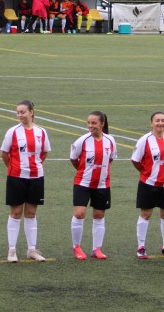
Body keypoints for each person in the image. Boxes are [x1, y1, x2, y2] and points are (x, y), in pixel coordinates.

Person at [0, 100, 52, 262]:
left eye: (22, 112)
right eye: (18, 112)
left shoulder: (41, 132)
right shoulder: (13, 132)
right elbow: (4, 154)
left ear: (31, 112)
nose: (20, 115)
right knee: (15, 213)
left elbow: (44, 152)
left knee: (31, 213)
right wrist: (14, 168)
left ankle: (31, 250)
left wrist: (35, 166)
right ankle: (12, 250)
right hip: (16, 177)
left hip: (36, 177)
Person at [69, 111, 117, 260]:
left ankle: (97, 249)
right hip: (83, 183)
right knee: (79, 214)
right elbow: (73, 159)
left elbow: (110, 159)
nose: (90, 126)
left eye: (94, 123)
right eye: (89, 123)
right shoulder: (82, 140)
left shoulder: (110, 140)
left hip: (102, 184)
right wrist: (84, 171)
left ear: (102, 124)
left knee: (99, 215)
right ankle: (77, 247)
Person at [131, 112, 164, 259]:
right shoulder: (144, 140)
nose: (160, 123)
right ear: (151, 123)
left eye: (163, 120)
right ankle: (141, 247)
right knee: (146, 214)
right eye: (157, 121)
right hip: (148, 183)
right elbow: (135, 160)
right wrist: (146, 173)